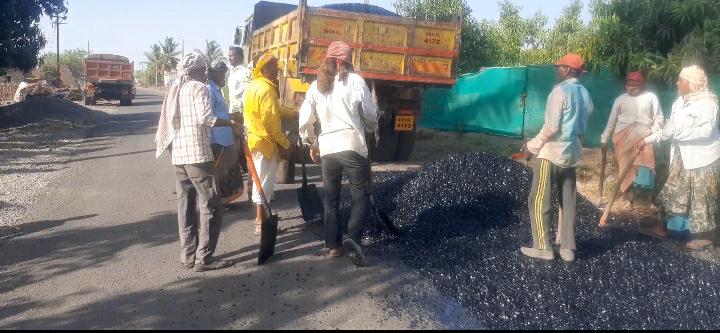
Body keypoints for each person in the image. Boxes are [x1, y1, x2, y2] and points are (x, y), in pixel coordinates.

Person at [155, 51, 238, 272]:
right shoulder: (199, 88)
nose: (206, 73)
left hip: (179, 156)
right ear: (198, 70)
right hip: (198, 157)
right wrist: (230, 124)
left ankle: (188, 255)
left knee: (185, 205)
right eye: (204, 69)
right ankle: (204, 258)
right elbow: (206, 119)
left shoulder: (176, 89)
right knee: (211, 205)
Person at [298, 41, 379, 267]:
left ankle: (333, 246)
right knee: (360, 195)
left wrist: (311, 142)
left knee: (331, 199)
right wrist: (370, 127)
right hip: (352, 145)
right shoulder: (355, 81)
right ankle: (353, 238)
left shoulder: (316, 86)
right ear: (347, 61)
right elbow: (371, 115)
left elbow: (305, 119)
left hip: (328, 149)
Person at [521, 53, 594, 263]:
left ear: (568, 70)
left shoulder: (559, 92)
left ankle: (543, 247)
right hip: (572, 153)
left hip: (551, 154)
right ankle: (567, 248)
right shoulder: (584, 93)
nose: (557, 70)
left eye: (559, 67)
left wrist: (532, 145)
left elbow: (552, 127)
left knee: (539, 199)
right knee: (568, 200)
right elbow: (586, 118)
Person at [639, 65, 720, 251]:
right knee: (674, 192)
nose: (677, 82)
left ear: (692, 84)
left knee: (702, 198)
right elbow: (669, 130)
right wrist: (647, 139)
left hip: (702, 159)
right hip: (681, 158)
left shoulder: (708, 104)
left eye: (681, 80)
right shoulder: (679, 102)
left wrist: (677, 133)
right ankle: (667, 227)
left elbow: (706, 132)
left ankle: (706, 237)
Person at [244, 51, 293, 235]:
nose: (278, 69)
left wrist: (293, 113)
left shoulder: (254, 86)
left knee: (261, 181)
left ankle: (261, 220)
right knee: (264, 183)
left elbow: (274, 110)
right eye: (274, 66)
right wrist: (285, 144)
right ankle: (260, 223)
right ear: (264, 68)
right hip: (264, 142)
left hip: (254, 140)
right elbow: (271, 122)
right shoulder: (266, 89)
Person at [600, 71, 664, 209]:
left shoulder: (651, 97)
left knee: (646, 167)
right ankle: (626, 199)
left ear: (642, 85)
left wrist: (651, 132)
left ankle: (646, 200)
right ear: (626, 85)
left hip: (644, 137)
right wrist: (604, 138)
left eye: (635, 84)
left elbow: (659, 119)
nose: (631, 87)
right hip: (622, 138)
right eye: (629, 84)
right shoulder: (620, 99)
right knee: (625, 168)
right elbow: (612, 121)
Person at [207, 60, 244, 204]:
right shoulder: (209, 90)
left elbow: (221, 112)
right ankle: (218, 203)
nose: (224, 76)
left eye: (224, 73)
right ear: (213, 74)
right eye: (222, 73)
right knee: (220, 173)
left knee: (227, 172)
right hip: (218, 140)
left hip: (225, 137)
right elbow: (209, 117)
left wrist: (233, 126)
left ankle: (223, 202)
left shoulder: (217, 89)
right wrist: (231, 124)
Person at [227, 46, 253, 197]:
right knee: (237, 151)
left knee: (245, 151)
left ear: (239, 56)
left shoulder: (244, 73)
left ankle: (251, 186)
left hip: (241, 114)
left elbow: (246, 94)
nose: (229, 58)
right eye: (229, 55)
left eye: (232, 55)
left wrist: (243, 116)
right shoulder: (232, 73)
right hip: (233, 113)